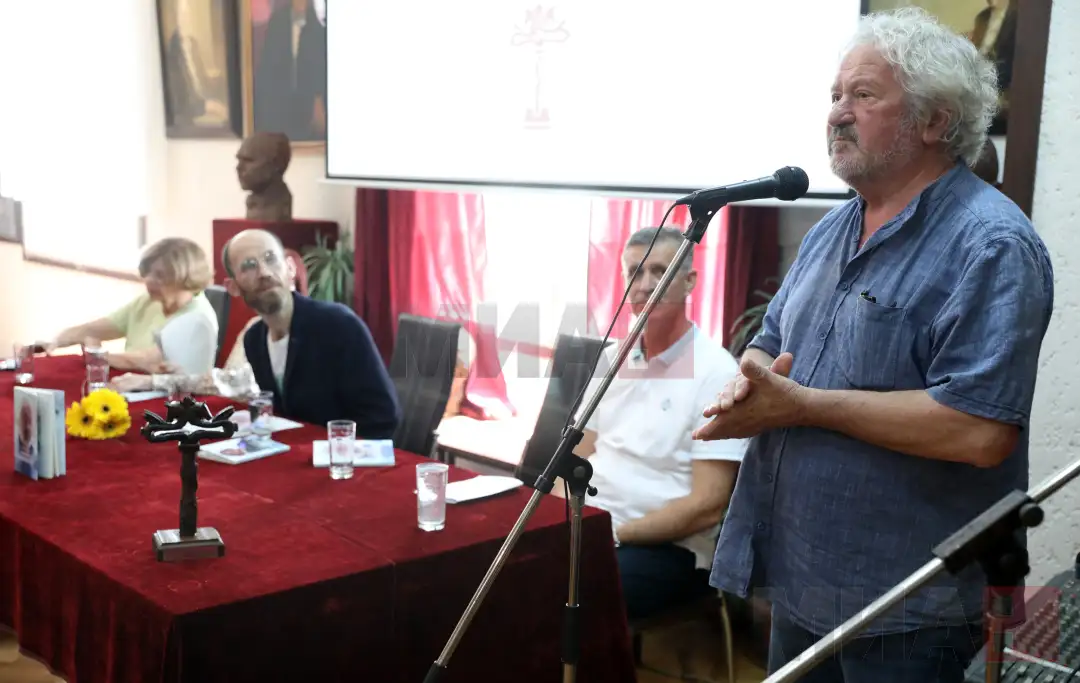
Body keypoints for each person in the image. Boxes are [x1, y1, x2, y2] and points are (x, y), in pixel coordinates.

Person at [697, 9, 1053, 683]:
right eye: (836, 95)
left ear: (934, 121)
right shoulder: (832, 230)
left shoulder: (992, 245)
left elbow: (980, 431)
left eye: (863, 95)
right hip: (802, 579)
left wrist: (801, 405)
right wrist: (751, 382)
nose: (838, 113)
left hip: (906, 606)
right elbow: (768, 343)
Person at [573, 226, 747, 621]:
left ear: (689, 282)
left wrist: (614, 534)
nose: (645, 285)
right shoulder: (614, 358)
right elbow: (578, 453)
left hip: (668, 547)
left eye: (659, 271)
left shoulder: (716, 373)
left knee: (575, 594)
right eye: (635, 272)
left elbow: (708, 506)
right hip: (594, 525)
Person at [220, 228, 400, 437]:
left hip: (346, 452)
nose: (265, 272)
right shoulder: (254, 340)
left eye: (271, 258)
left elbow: (383, 417)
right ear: (233, 287)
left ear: (290, 268)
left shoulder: (339, 325)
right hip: (295, 452)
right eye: (249, 265)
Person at [43, 237, 219, 375]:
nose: (148, 280)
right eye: (147, 273)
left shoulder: (197, 317)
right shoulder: (147, 302)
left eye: (159, 275)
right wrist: (56, 340)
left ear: (184, 277)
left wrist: (98, 355)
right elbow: (92, 330)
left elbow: (151, 361)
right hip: (131, 385)